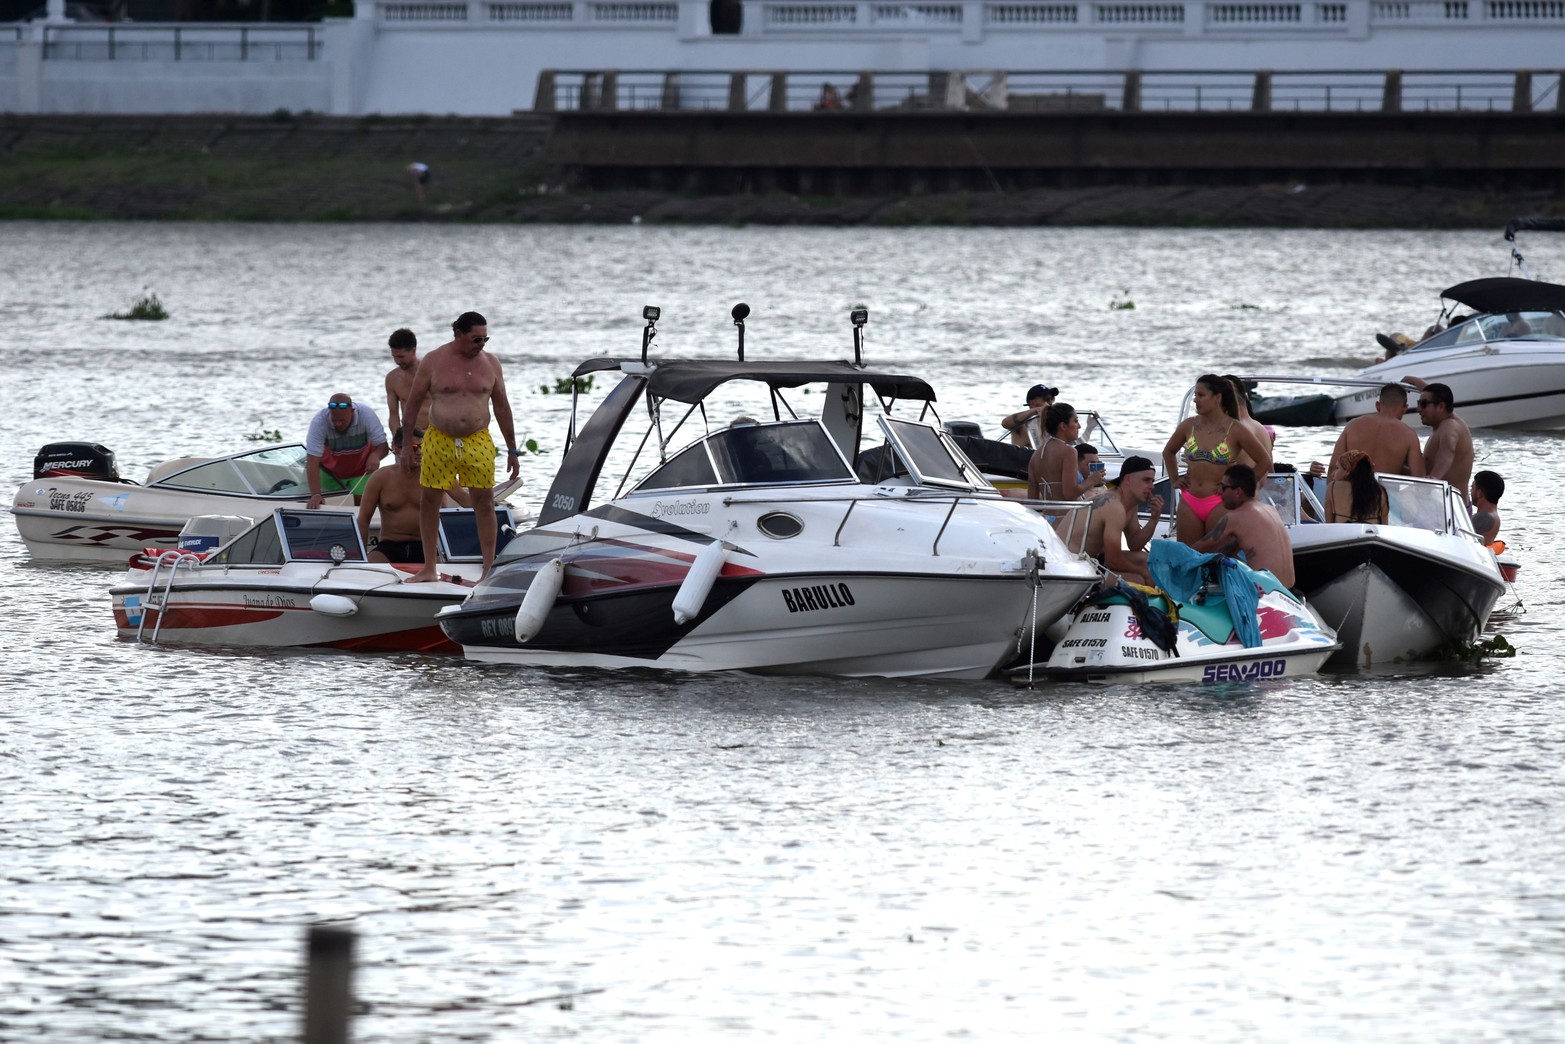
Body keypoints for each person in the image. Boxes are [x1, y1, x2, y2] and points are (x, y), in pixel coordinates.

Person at [399, 310, 521, 581]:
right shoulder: (433, 361)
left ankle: (488, 568)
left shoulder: (491, 363)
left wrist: (512, 450)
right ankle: (429, 568)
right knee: (430, 499)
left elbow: (502, 406)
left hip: (477, 439)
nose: (482, 344)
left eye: (485, 339)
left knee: (484, 502)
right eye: (476, 339)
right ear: (458, 334)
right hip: (439, 438)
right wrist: (407, 445)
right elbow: (413, 404)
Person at [1162, 374, 1270, 545]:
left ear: (1217, 398)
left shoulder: (1236, 429)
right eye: (1195, 395)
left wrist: (1239, 486)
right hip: (1189, 500)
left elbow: (1264, 461)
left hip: (1219, 502)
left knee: (1215, 561)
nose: (1195, 400)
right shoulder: (1189, 425)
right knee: (1188, 559)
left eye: (1201, 395)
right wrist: (1175, 479)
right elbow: (1168, 451)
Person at [1191, 464, 1295, 587]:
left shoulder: (1235, 517)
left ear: (1238, 492)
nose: (1219, 493)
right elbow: (1229, 550)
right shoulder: (1271, 510)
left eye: (1223, 488)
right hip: (1289, 590)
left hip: (1266, 593)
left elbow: (1195, 550)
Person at [1083, 456, 1166, 585]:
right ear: (1128, 479)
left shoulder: (1130, 505)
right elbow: (1113, 560)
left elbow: (1135, 544)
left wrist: (1154, 519)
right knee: (1139, 580)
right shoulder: (1114, 506)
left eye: (1152, 481)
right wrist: (1142, 572)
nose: (1152, 486)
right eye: (1146, 480)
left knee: (1150, 560)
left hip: (1094, 559)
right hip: (1076, 564)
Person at [1319, 383, 1425, 482]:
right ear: (1405, 408)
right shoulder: (1409, 435)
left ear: (1378, 405)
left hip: (1351, 497)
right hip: (1385, 498)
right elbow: (1421, 482)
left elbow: (1332, 474)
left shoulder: (1352, 426)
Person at [305, 393, 388, 509]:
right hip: (330, 471)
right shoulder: (319, 422)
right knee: (325, 505)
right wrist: (315, 494)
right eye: (335, 420)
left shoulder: (366, 414)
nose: (338, 423)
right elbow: (312, 461)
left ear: (352, 411)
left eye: (342, 420)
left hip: (362, 468)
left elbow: (383, 446)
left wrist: (376, 455)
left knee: (364, 507)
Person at [1412, 381, 1474, 505]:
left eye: (1423, 404)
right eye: (1418, 403)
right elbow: (1436, 394)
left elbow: (1448, 450)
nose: (1418, 409)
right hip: (1447, 505)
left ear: (1441, 407)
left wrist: (1432, 480)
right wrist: (1412, 381)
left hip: (1451, 509)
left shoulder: (1449, 426)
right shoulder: (1445, 421)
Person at [1027, 402, 1103, 501]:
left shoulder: (1036, 455)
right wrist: (1092, 480)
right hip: (1066, 515)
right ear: (1063, 426)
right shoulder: (1069, 452)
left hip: (1047, 514)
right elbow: (1070, 494)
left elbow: (1032, 499)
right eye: (1075, 421)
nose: (1079, 426)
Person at [1221, 375, 1274, 477]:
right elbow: (1271, 472)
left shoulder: (1235, 430)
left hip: (1240, 491)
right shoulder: (1261, 428)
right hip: (1259, 491)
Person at [1325, 450, 1388, 524]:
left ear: (1348, 470)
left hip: (1343, 533)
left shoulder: (1332, 488)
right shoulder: (1380, 491)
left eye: (1338, 468)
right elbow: (1384, 526)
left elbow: (1329, 524)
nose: (1333, 474)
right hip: (1371, 534)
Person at [385, 327, 423, 435]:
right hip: (409, 437)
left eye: (401, 357)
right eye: (394, 357)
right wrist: (397, 438)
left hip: (434, 435)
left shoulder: (431, 373)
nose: (397, 361)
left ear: (413, 351)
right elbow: (393, 414)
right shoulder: (392, 379)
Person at [1000, 382, 1057, 448]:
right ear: (1032, 403)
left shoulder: (1057, 416)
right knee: (1016, 427)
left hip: (1058, 454)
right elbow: (1005, 423)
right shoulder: (1028, 419)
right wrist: (1035, 411)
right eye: (1046, 399)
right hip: (1038, 455)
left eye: (1051, 399)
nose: (1050, 403)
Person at [1470, 470, 1504, 543]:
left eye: (1472, 488)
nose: (1470, 492)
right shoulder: (1495, 517)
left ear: (1479, 493)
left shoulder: (1483, 517)